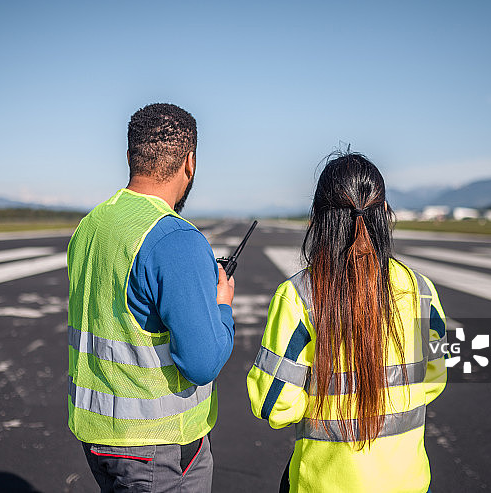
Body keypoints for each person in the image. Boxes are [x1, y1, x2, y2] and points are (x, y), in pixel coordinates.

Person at [247, 152, 448, 492]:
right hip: (409, 482)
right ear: (384, 214)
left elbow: (275, 405)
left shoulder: (300, 295)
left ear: (319, 218)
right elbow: (434, 379)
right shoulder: (420, 289)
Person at [67, 103, 236, 493]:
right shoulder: (175, 238)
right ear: (189, 162)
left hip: (97, 435)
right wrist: (222, 306)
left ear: (130, 157)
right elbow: (203, 361)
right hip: (155, 446)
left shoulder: (91, 225)